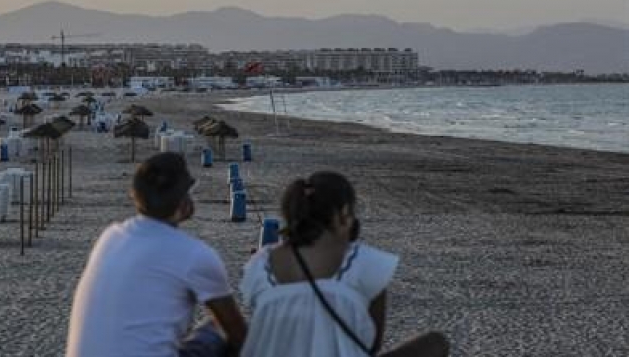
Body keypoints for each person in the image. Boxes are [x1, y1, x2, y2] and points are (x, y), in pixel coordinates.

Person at [239, 171, 449, 357]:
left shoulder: (259, 265)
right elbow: (371, 346)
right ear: (344, 213)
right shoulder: (369, 263)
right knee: (435, 342)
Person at [66, 152, 247, 357]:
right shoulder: (195, 255)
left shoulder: (111, 236)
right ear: (183, 200)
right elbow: (238, 334)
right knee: (217, 331)